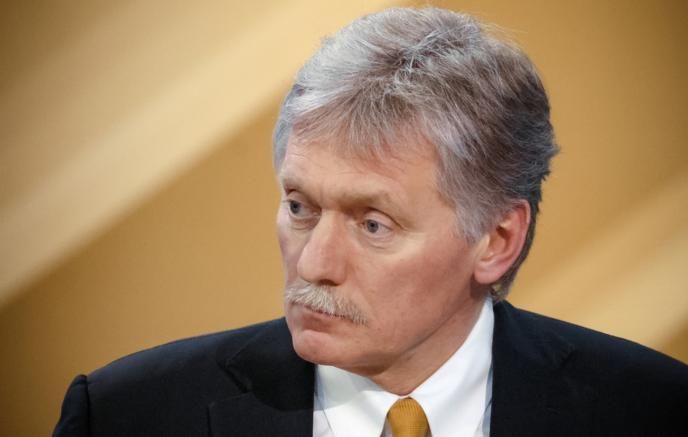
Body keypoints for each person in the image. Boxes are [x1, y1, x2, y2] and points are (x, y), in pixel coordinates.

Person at [53, 7, 687, 437]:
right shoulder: (126, 416)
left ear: (496, 240)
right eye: (300, 207)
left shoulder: (653, 412)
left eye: (373, 224)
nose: (313, 264)